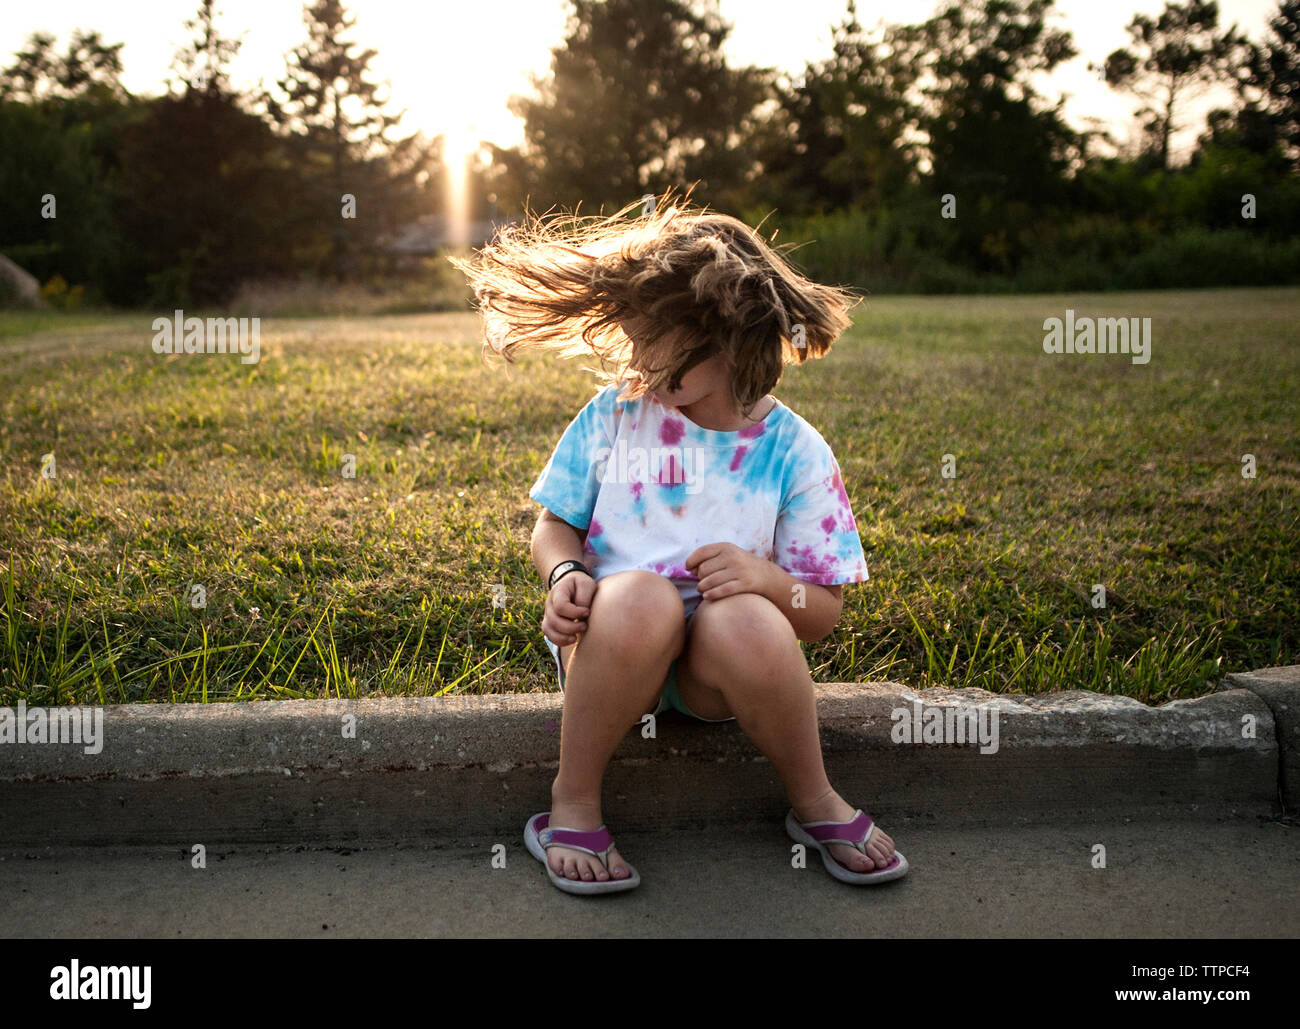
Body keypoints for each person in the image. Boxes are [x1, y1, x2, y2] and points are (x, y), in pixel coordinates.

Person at [450, 189, 907, 894]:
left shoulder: (795, 451)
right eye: (632, 340)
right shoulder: (617, 412)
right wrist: (564, 571)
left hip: (710, 674)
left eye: (654, 347)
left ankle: (815, 801)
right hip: (612, 646)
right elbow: (554, 521)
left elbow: (820, 614)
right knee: (642, 598)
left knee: (751, 618)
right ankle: (571, 803)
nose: (636, 360)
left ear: (727, 340)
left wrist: (763, 578)